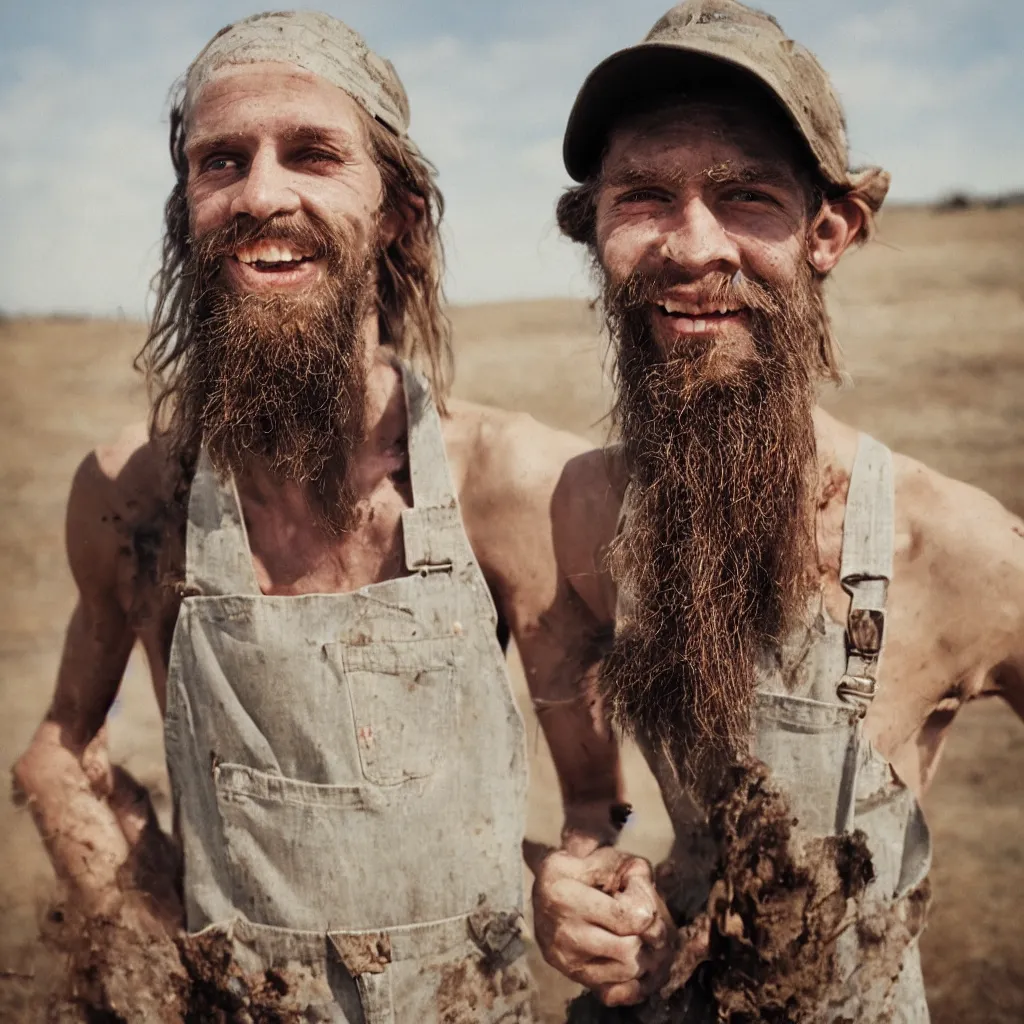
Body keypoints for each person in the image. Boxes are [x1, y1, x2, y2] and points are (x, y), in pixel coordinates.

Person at [12, 12, 625, 1021]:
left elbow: (598, 805)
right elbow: (57, 751)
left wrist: (574, 881)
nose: (260, 193)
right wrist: (133, 929)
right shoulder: (137, 492)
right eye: (221, 161)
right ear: (188, 213)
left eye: (311, 153)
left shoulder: (507, 483)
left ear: (397, 214)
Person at [530, 1, 1024, 1020]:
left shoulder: (956, 545)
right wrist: (580, 879)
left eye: (747, 196)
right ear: (596, 232)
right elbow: (595, 805)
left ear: (829, 231)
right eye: (644, 197)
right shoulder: (588, 507)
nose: (691, 244)